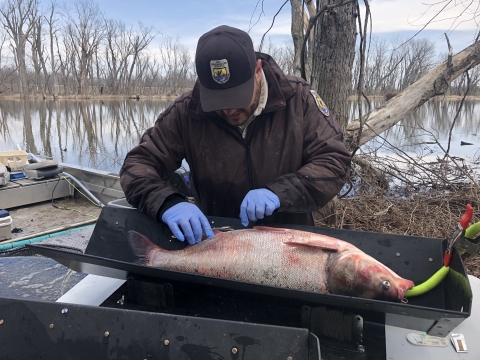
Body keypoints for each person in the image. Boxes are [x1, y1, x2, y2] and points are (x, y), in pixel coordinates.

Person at [120, 25, 351, 245]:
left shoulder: (298, 99)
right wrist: (167, 202)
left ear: (257, 70)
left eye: (238, 97)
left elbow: (334, 160)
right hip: (216, 242)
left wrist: (279, 193)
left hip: (289, 243)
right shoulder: (187, 111)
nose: (229, 110)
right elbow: (138, 165)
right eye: (219, 101)